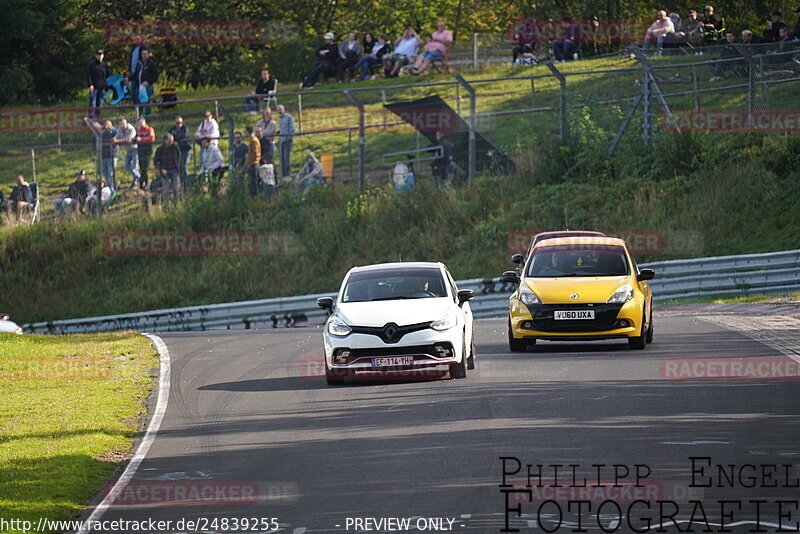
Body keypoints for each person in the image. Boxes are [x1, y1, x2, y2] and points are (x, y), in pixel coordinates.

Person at [153, 133, 181, 203]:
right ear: (165, 140)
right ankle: (165, 205)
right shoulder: (160, 149)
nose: (171, 142)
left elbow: (179, 156)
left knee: (175, 188)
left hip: (174, 169)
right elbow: (156, 161)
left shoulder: (175, 146)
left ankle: (176, 203)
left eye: (172, 140)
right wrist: (160, 168)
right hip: (164, 171)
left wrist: (177, 165)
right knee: (165, 190)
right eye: (170, 140)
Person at [113, 118, 140, 190]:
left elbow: (129, 140)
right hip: (128, 151)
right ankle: (138, 176)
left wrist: (117, 141)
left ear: (126, 123)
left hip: (135, 150)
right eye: (120, 124)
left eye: (123, 124)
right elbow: (116, 137)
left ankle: (134, 183)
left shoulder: (131, 129)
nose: (122, 125)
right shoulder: (120, 130)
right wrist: (115, 140)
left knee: (135, 167)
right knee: (126, 166)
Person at [134, 47, 159, 118]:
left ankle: (147, 118)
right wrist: (128, 78)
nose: (144, 55)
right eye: (143, 54)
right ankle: (140, 118)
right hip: (139, 86)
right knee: (139, 102)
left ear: (148, 54)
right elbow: (136, 74)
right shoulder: (139, 63)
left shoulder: (151, 64)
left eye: (145, 54)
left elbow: (156, 75)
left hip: (147, 87)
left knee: (147, 102)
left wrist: (149, 82)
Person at [87, 49, 110, 120]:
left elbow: (108, 77)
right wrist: (90, 85)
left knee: (99, 104)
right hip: (94, 88)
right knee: (92, 103)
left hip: (102, 88)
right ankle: (91, 118)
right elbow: (88, 76)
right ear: (96, 56)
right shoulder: (92, 65)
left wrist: (107, 87)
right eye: (98, 55)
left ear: (103, 56)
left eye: (100, 55)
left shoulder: (104, 65)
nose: (99, 56)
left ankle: (97, 118)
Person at [169, 116, 191, 183]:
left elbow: (183, 136)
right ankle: (182, 181)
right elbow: (169, 136)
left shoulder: (185, 128)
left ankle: (186, 181)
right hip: (177, 150)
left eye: (180, 122)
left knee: (184, 166)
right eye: (177, 123)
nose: (179, 124)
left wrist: (175, 139)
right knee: (179, 167)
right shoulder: (172, 129)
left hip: (186, 149)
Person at [136, 117, 155, 189]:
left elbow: (152, 138)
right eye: (139, 123)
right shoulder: (138, 130)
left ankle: (145, 182)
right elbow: (136, 138)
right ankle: (142, 183)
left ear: (144, 122)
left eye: (141, 122)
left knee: (145, 167)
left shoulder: (150, 129)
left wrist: (141, 139)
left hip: (148, 150)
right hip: (140, 150)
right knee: (142, 167)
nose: (140, 124)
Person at [276, 105, 295, 179]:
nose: (279, 111)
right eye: (278, 110)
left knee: (286, 158)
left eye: (280, 109)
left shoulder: (289, 117)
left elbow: (292, 128)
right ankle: (282, 175)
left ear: (284, 109)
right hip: (281, 140)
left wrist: (289, 138)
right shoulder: (280, 119)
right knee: (281, 158)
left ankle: (287, 175)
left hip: (287, 140)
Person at [99, 120, 118, 189]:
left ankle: (112, 188)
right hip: (104, 156)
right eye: (106, 125)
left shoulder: (114, 132)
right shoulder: (102, 133)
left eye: (108, 125)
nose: (107, 126)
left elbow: (117, 134)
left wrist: (111, 129)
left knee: (110, 173)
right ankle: (109, 187)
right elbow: (95, 137)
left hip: (112, 155)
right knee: (104, 172)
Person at [244, 126, 261, 196]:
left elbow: (255, 154)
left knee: (254, 183)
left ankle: (255, 199)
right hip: (252, 163)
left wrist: (249, 160)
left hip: (254, 164)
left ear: (248, 132)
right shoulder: (251, 140)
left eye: (245, 131)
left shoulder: (254, 141)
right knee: (251, 183)